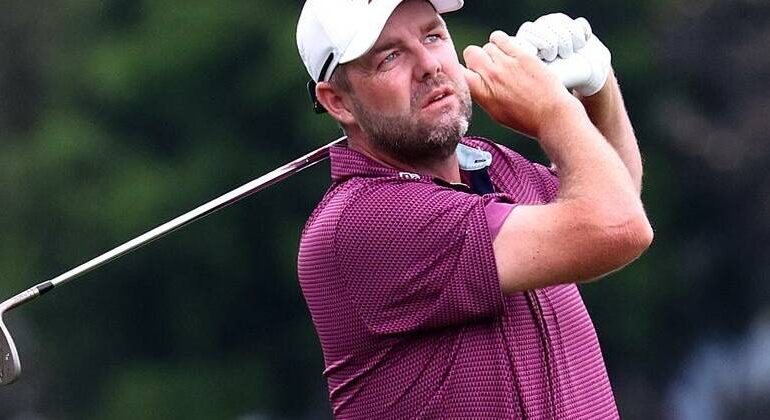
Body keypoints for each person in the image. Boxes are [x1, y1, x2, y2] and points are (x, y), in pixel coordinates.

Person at [295, 0, 653, 418]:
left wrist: (598, 87)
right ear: (338, 101)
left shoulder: (489, 164)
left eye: (433, 35)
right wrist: (553, 108)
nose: (429, 64)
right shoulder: (365, 220)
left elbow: (615, 194)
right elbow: (616, 227)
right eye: (390, 56)